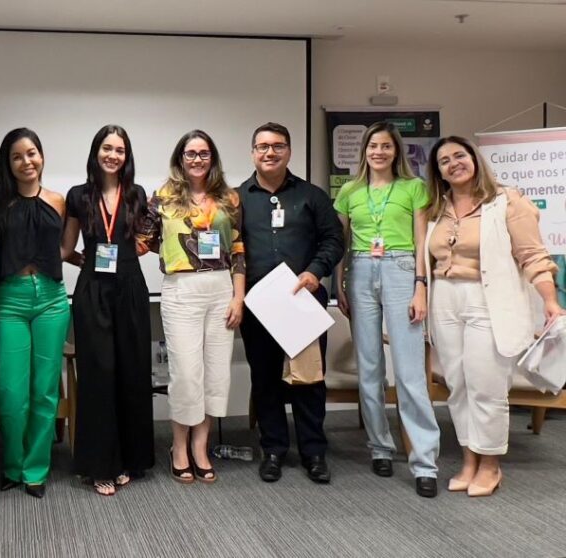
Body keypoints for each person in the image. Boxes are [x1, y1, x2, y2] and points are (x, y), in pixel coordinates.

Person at [424, 136, 564, 497]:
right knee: (458, 386)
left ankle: (490, 465)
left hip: (486, 300)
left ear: (474, 159)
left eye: (460, 155)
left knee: (486, 386)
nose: (453, 163)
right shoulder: (435, 208)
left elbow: (533, 254)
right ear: (438, 172)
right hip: (445, 301)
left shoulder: (507, 201)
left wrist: (550, 299)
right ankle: (469, 459)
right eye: (444, 160)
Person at [333, 122, 441, 498]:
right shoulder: (349, 191)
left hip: (401, 269)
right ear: (364, 151)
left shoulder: (414, 188)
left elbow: (421, 242)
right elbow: (340, 242)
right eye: (373, 146)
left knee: (410, 373)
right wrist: (339, 285)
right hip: (360, 272)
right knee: (369, 368)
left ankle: (425, 461)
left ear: (397, 152)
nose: (379, 152)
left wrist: (420, 287)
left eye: (386, 146)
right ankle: (380, 446)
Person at [136, 129, 245, 484]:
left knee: (216, 372)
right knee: (185, 373)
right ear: (180, 158)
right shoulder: (163, 197)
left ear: (212, 158)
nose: (197, 159)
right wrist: (175, 253)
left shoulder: (229, 198)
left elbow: (239, 249)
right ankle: (179, 446)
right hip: (181, 291)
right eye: (190, 153)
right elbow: (143, 239)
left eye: (203, 153)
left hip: (221, 289)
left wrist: (238, 296)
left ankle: (201, 445)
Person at [238, 122, 344, 485]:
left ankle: (314, 451)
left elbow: (334, 240)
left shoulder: (312, 196)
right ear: (253, 152)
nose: (270, 152)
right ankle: (273, 450)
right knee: (265, 379)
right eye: (263, 146)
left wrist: (316, 271)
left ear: (289, 151)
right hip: (259, 306)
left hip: (303, 303)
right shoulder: (238, 198)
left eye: (278, 146)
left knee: (309, 380)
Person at [61, 125, 153, 496]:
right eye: (107, 148)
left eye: (120, 149)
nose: (113, 155)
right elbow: (66, 248)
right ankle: (100, 465)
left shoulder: (137, 194)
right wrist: (87, 261)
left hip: (131, 287)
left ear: (126, 156)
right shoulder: (79, 195)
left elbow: (146, 238)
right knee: (98, 374)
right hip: (94, 290)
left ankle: (131, 458)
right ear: (95, 151)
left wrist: (134, 253)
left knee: (132, 371)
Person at [0, 128, 70, 499]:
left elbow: (64, 248)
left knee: (45, 389)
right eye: (17, 156)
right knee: (11, 391)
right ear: (8, 163)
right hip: (10, 301)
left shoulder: (58, 200)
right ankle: (12, 464)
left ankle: (36, 469)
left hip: (51, 298)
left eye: (32, 153)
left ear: (42, 156)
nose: (26, 161)